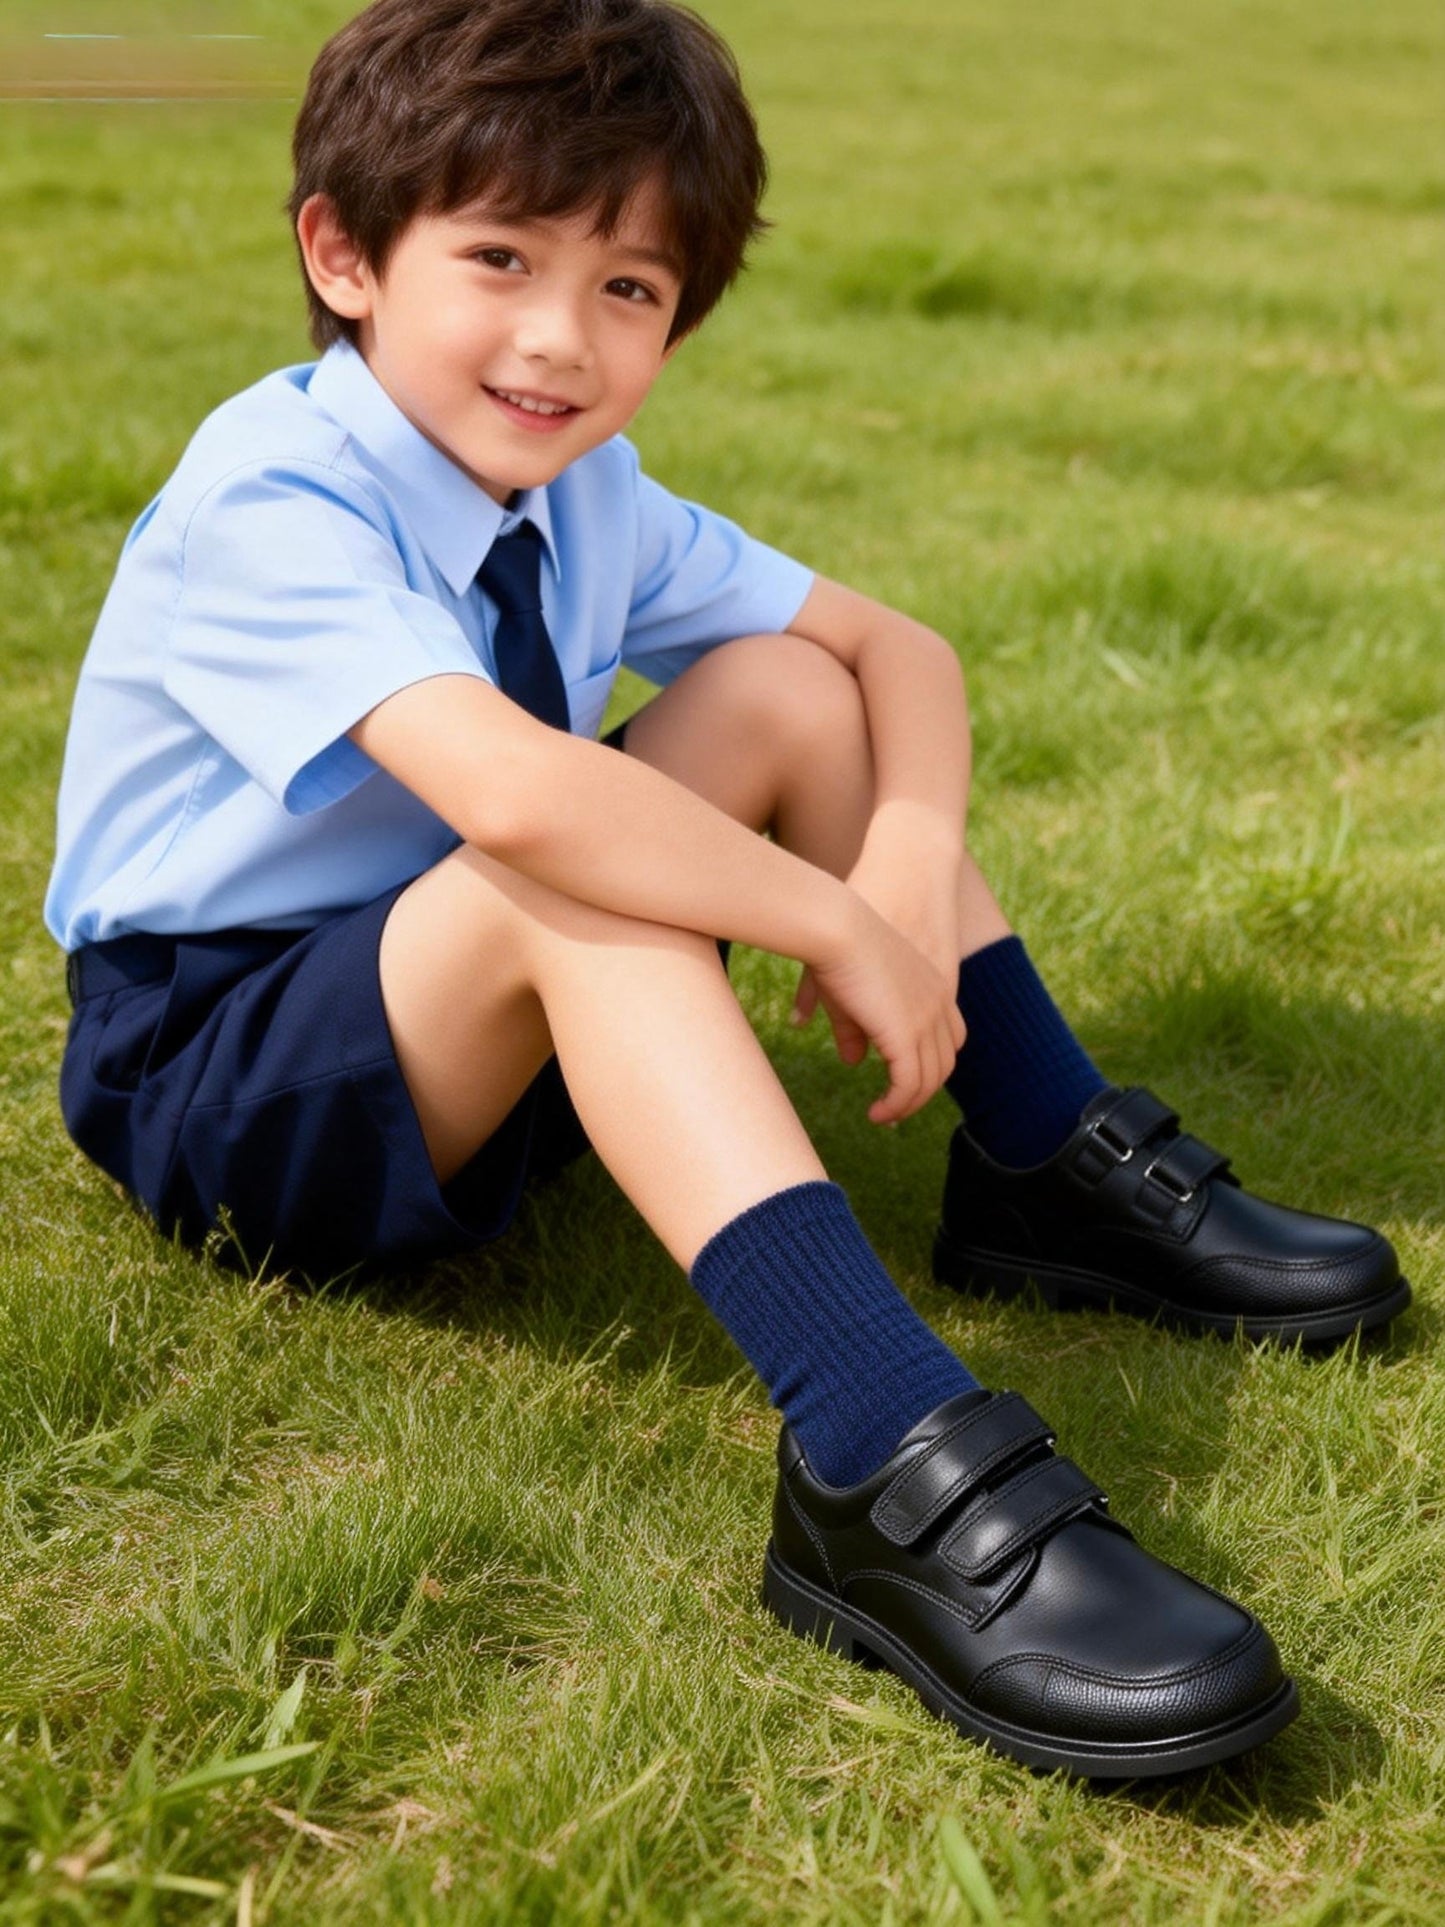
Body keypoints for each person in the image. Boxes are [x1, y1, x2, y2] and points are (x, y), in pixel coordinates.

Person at [45, 0, 1406, 1777]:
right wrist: (824, 917)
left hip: (454, 1007)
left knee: (784, 689)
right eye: (500, 257)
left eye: (628, 286)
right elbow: (516, 793)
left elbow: (893, 650)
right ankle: (875, 1456)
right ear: (344, 254)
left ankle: (1038, 1158)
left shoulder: (585, 489)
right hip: (226, 1079)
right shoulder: (272, 496)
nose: (560, 338)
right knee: (564, 863)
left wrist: (899, 861)